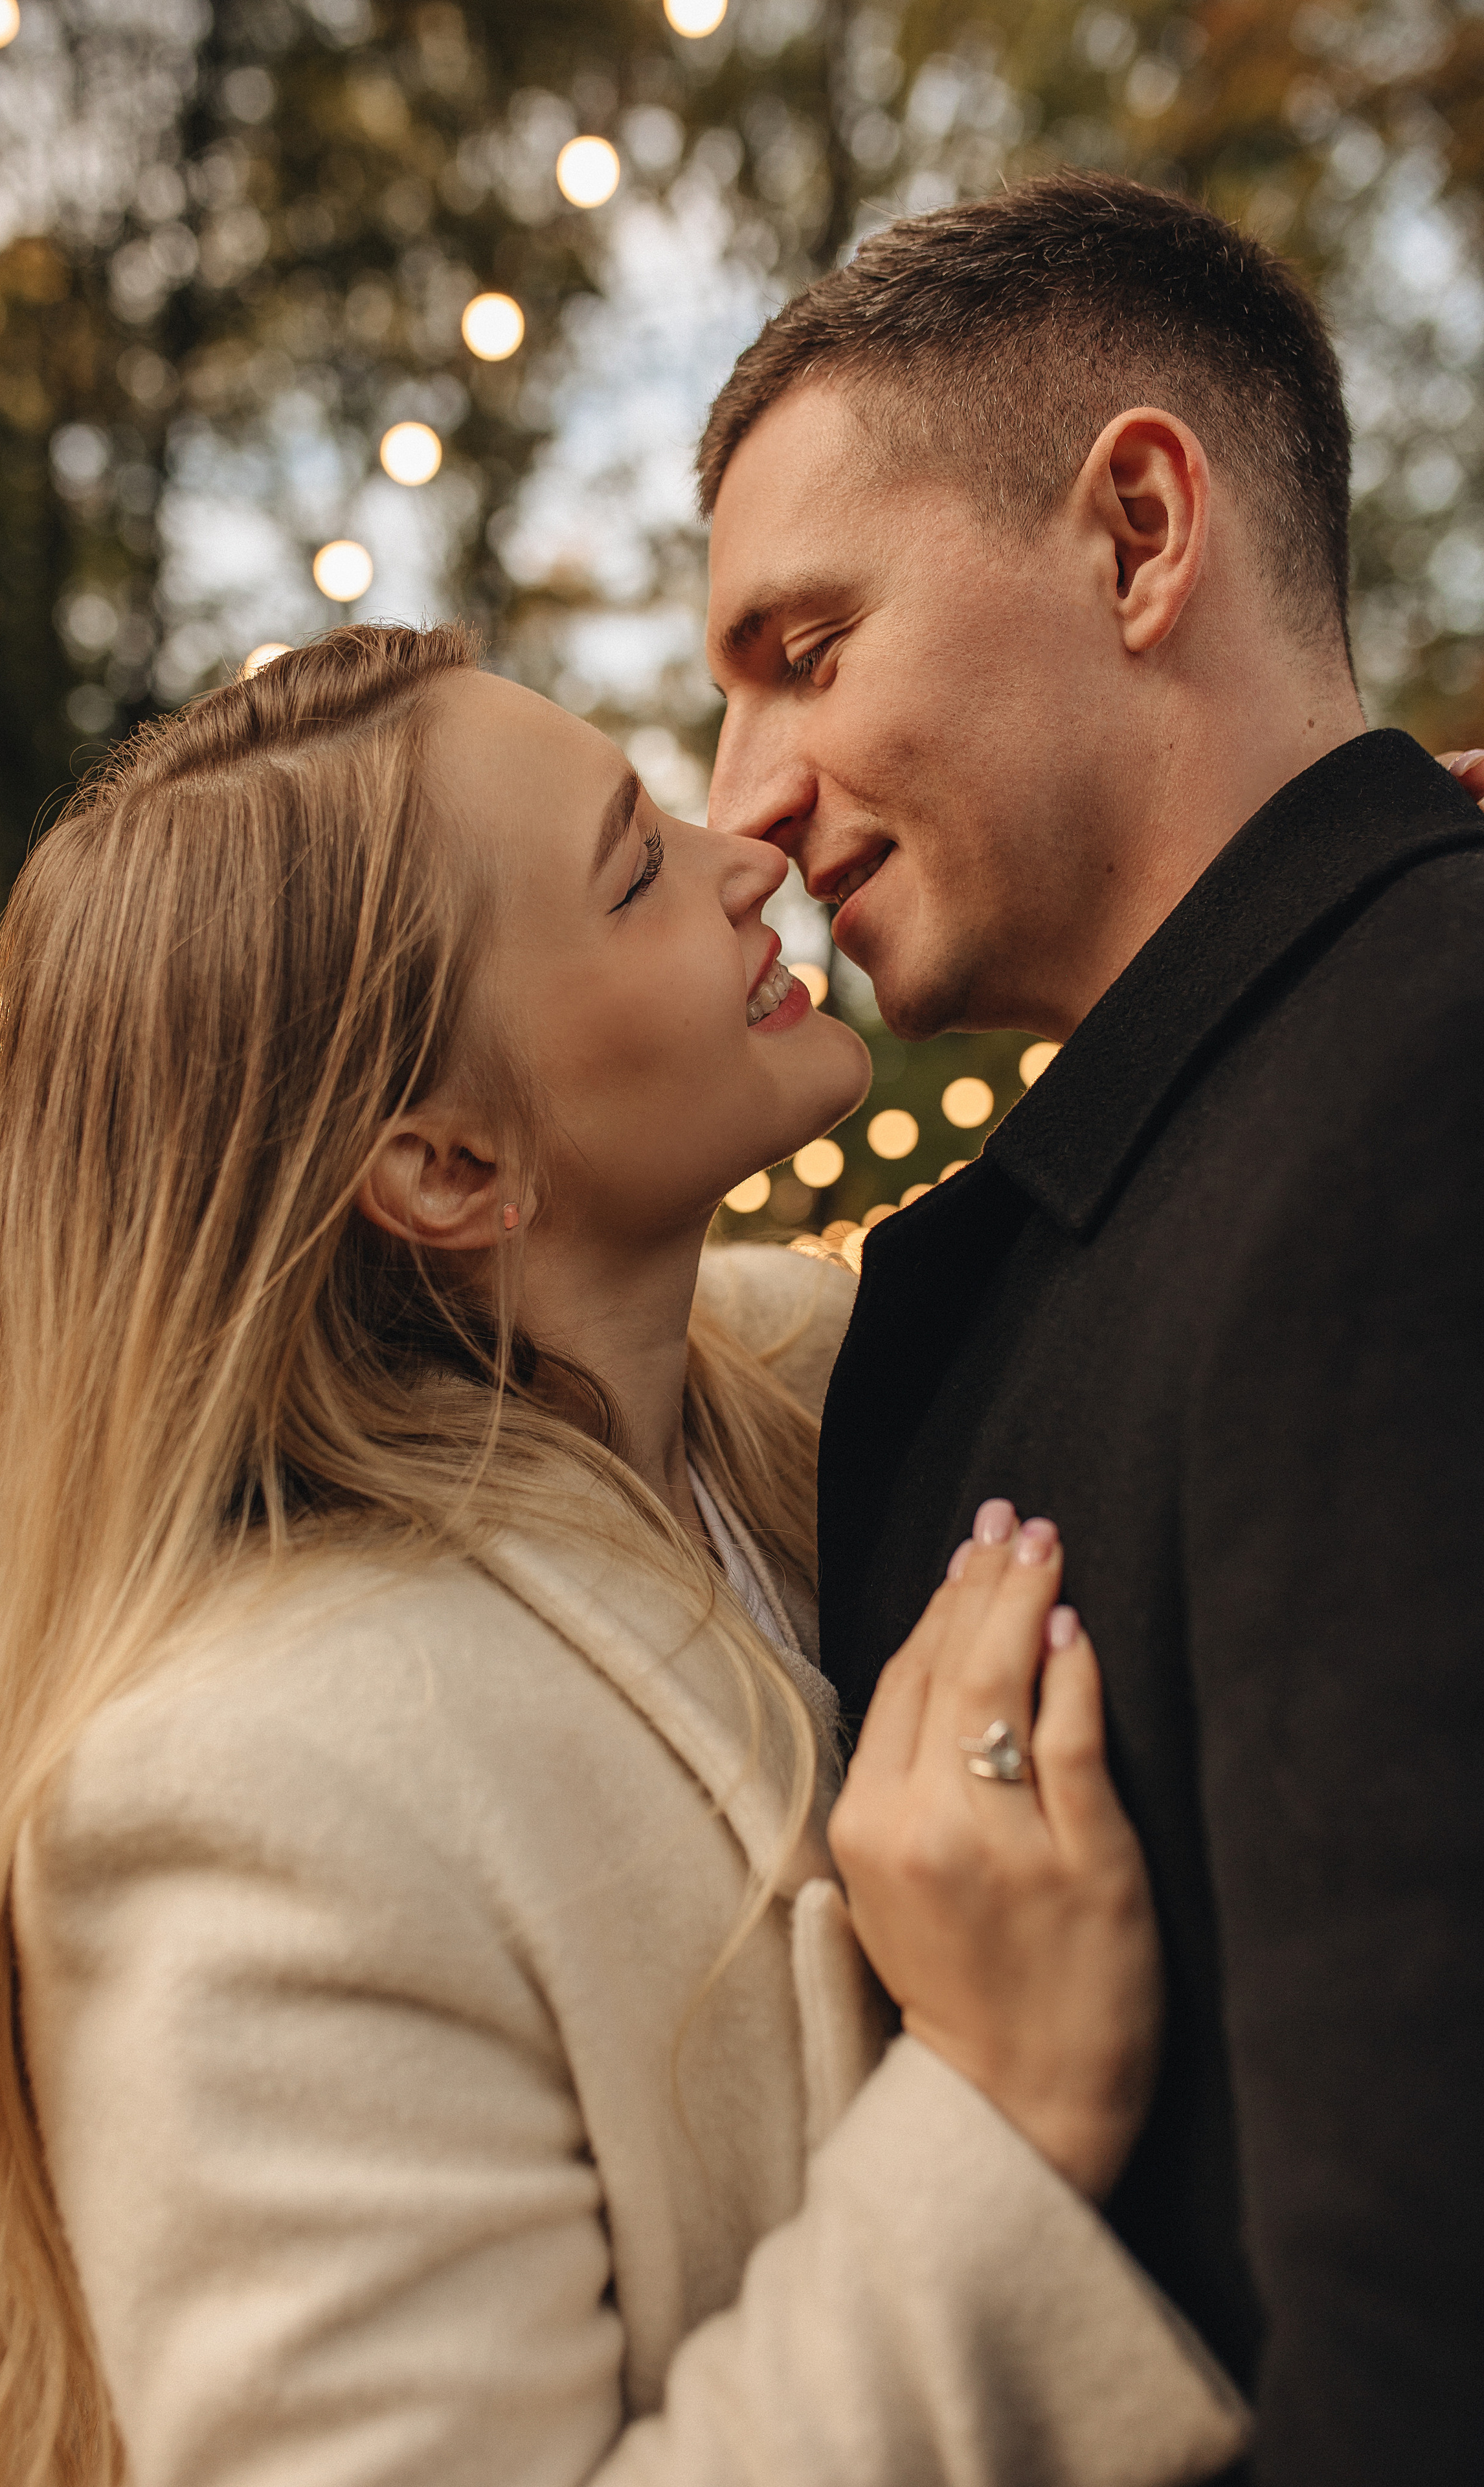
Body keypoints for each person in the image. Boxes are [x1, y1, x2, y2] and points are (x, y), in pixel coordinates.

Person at [0, 625, 1248, 2487]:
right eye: (635, 867)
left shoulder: (821, 1394)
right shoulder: (244, 1790)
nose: (746, 851)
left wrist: (1336, 937)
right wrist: (1002, 2111)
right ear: (446, 1165)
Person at [702, 170, 1484, 2485]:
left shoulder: (1415, 1096)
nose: (745, 800)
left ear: (1140, 535)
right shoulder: (1053, 1223)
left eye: (806, 648)